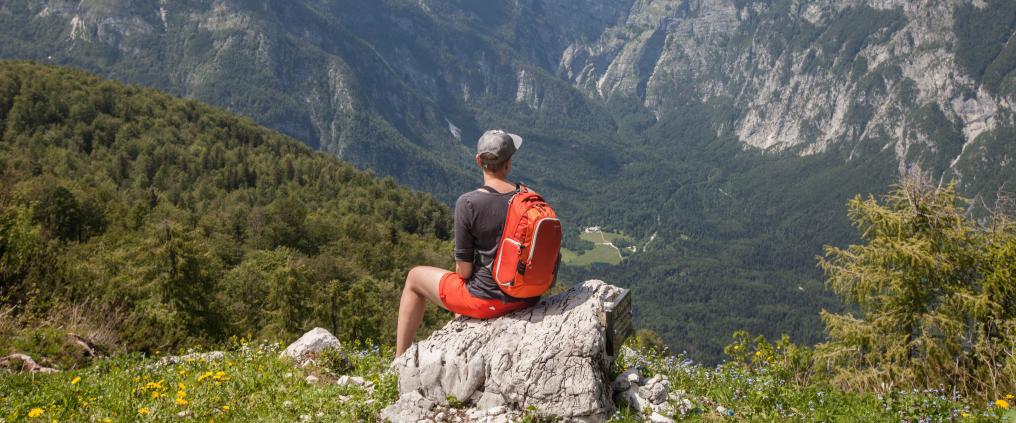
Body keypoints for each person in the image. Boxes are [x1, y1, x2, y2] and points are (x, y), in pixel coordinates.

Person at [395, 129, 542, 357]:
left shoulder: (468, 203)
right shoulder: (529, 196)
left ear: (478, 161)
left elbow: (463, 271)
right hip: (529, 296)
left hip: (489, 302)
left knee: (414, 277)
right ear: (508, 163)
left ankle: (399, 359)